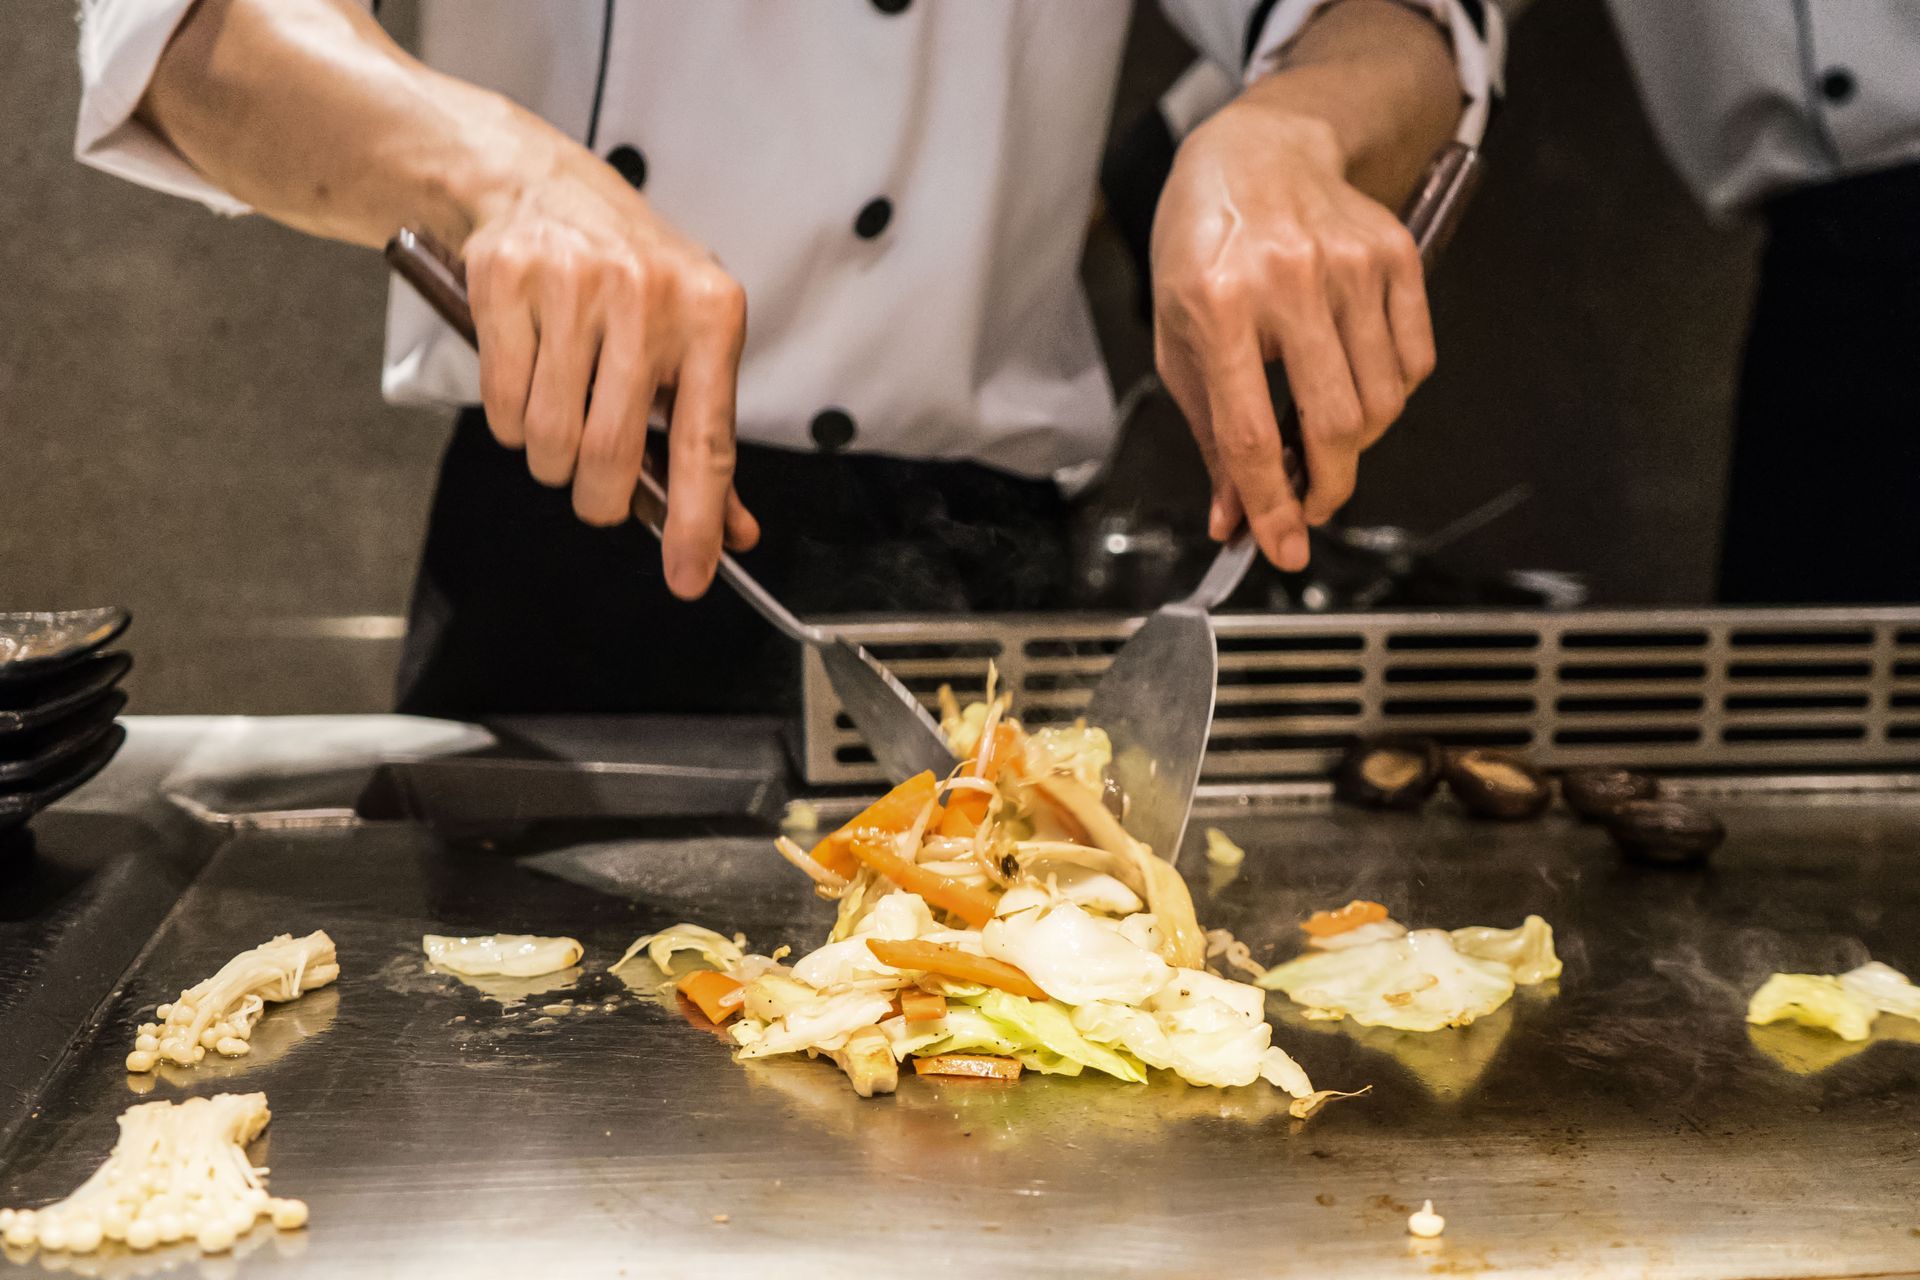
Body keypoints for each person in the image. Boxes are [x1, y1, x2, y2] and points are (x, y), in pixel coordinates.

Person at [76, 0, 1497, 714]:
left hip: (988, 591)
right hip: (573, 545)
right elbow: (179, 34)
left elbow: (1406, 23)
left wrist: (1300, 127)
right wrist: (497, 174)